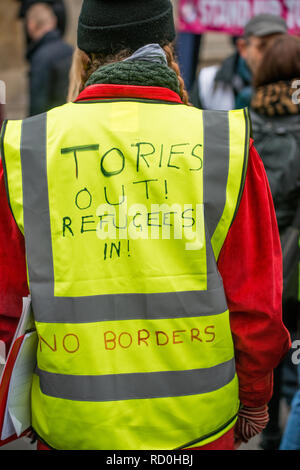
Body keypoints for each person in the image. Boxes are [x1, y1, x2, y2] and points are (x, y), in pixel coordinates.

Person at [0, 0, 291, 451]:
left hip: (72, 425)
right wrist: (255, 396)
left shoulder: (30, 148)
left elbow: (7, 308)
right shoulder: (224, 145)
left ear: (84, 55)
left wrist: (14, 404)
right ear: (170, 48)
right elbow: (256, 303)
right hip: (196, 427)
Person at [250, 34, 300, 450]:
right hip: (296, 265)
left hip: (261, 263)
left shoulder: (243, 122)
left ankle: (269, 430)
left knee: (269, 351)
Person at [191, 14, 287, 111]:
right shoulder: (208, 81)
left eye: (278, 46)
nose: (271, 54)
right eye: (262, 46)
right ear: (243, 48)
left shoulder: (295, 85)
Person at [25, 2, 73, 116]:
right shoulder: (71, 51)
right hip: (71, 122)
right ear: (54, 21)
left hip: (52, 126)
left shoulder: (40, 57)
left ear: (31, 25)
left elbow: (37, 106)